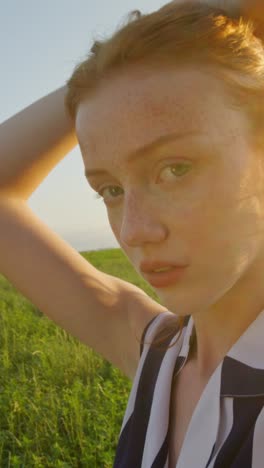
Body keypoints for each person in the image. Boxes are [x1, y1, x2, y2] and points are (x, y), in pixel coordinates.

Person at [0, 0, 264, 466]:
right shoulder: (157, 353)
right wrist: (107, 76)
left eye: (175, 168)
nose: (135, 230)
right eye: (111, 189)